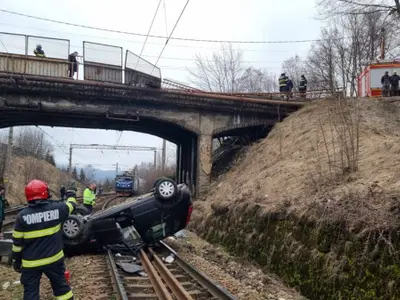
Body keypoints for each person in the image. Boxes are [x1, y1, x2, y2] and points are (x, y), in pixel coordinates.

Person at [11, 179, 77, 300]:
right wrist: (71, 193)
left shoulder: (22, 216)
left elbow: (17, 243)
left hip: (31, 263)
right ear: (45, 193)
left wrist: (16, 259)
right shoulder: (57, 209)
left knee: (30, 293)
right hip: (54, 259)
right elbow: (71, 206)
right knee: (62, 289)